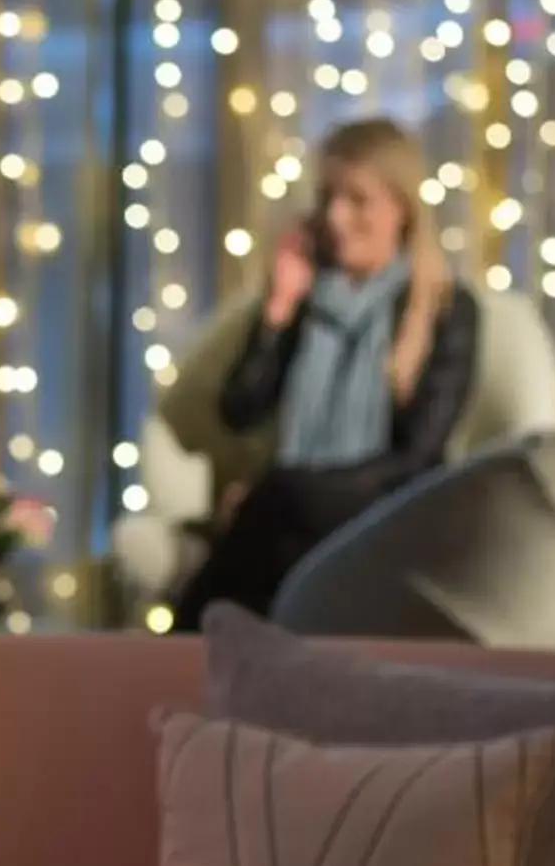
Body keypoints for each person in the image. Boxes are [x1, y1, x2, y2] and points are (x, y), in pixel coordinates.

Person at [172, 116, 522, 626]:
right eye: (328, 198)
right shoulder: (304, 301)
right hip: (292, 511)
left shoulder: (444, 309)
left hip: (392, 504)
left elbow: (419, 455)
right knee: (275, 527)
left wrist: (293, 489)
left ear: (402, 209)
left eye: (358, 199)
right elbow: (239, 411)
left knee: (274, 507)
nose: (336, 217)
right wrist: (276, 313)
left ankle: (178, 647)